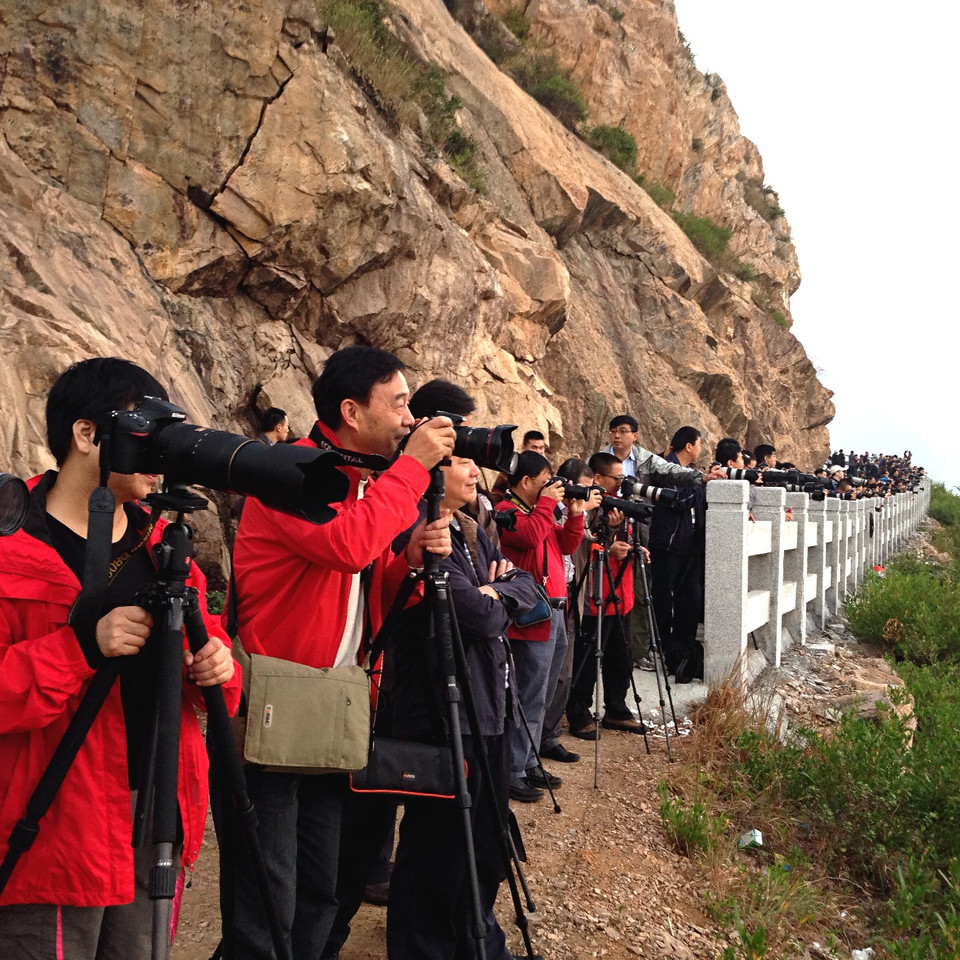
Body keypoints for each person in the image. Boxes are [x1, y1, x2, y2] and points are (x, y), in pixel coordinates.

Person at [0, 358, 240, 960]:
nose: (163, 457)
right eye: (147, 436)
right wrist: (80, 647)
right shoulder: (13, 548)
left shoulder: (161, 545)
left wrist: (214, 667)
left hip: (156, 811)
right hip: (52, 823)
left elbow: (214, 669)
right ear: (87, 435)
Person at [227, 346, 456, 960]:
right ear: (352, 411)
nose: (411, 417)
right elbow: (347, 547)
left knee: (319, 887)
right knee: (268, 891)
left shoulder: (360, 482)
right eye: (401, 402)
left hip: (332, 699)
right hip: (277, 704)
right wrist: (409, 471)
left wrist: (404, 561)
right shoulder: (290, 473)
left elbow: (357, 587)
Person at [386, 454, 541, 960]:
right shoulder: (419, 532)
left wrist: (495, 589)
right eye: (462, 462)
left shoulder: (472, 528)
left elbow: (527, 589)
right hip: (443, 709)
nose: (475, 474)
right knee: (439, 847)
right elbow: (474, 615)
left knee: (487, 841)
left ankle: (475, 943)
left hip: (488, 702)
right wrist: (494, 597)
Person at [497, 452, 595, 802]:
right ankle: (512, 768)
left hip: (554, 611)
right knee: (526, 692)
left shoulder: (537, 514)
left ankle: (528, 758)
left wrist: (574, 513)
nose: (550, 488)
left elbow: (566, 544)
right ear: (525, 482)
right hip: (529, 616)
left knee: (542, 692)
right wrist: (546, 505)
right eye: (544, 482)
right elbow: (526, 538)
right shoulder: (508, 513)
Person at [566, 452, 645, 738]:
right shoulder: (584, 508)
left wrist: (635, 548)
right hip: (595, 595)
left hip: (621, 593)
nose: (621, 483)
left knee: (620, 657)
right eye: (617, 478)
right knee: (587, 659)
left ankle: (616, 708)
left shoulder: (619, 506)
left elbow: (627, 540)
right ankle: (578, 713)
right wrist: (608, 539)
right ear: (597, 479)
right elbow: (580, 544)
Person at [649, 426, 711, 684]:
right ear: (689, 446)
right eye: (699, 444)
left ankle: (682, 648)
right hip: (668, 544)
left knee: (690, 598)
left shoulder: (694, 475)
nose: (700, 449)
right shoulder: (665, 470)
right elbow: (678, 501)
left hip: (690, 546)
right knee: (663, 598)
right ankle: (661, 649)